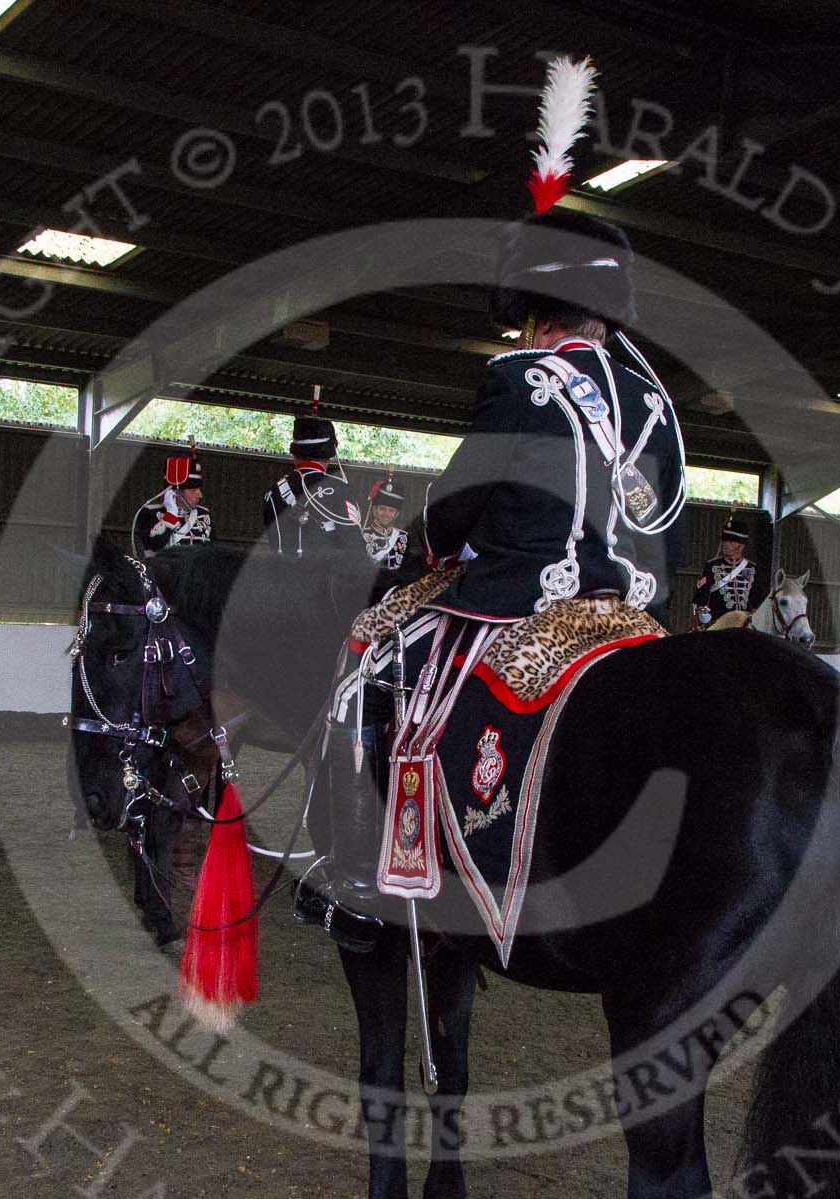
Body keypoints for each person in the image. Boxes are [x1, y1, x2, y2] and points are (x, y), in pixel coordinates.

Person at [303, 55, 687, 917]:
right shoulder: (656, 398)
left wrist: (417, 555)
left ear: (535, 305)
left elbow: (462, 502)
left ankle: (369, 876)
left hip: (527, 601)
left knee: (372, 658)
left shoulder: (521, 375)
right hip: (636, 611)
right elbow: (667, 519)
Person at [262, 415, 357, 556]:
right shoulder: (339, 489)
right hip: (324, 576)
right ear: (329, 454)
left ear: (295, 455)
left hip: (280, 574)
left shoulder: (273, 491)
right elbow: (354, 545)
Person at [131, 452, 211, 557]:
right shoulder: (149, 512)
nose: (200, 495)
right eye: (193, 490)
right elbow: (155, 544)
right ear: (176, 492)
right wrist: (171, 514)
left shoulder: (204, 514)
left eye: (199, 489)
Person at [692, 518, 767, 626]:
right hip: (718, 623)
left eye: (731, 541)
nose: (726, 544)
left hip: (745, 624)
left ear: (741, 545)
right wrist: (702, 616)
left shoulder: (753, 569)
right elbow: (699, 598)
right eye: (725, 540)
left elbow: (758, 600)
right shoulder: (711, 566)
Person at [359, 478, 410, 571]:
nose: (386, 514)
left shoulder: (404, 538)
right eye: (382, 509)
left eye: (391, 510)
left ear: (396, 514)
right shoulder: (360, 535)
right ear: (374, 510)